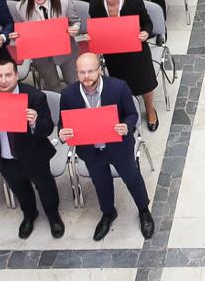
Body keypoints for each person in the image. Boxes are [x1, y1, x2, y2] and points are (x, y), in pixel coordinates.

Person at [58, 52, 156, 240]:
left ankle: (144, 210)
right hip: (90, 150)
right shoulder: (68, 95)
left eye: (90, 71)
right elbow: (63, 123)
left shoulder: (118, 88)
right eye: (81, 73)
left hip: (119, 147)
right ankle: (108, 212)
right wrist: (62, 133)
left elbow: (132, 114)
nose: (86, 77)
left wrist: (126, 126)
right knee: (101, 183)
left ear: (100, 69)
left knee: (132, 177)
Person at [0, 56, 64, 239]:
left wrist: (35, 122)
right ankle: (29, 214)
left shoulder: (35, 97)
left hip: (33, 155)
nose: (3, 81)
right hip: (3, 156)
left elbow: (48, 128)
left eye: (8, 75)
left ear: (16, 75)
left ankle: (53, 216)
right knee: (19, 188)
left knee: (45, 187)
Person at [88, 0, 161, 130]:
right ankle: (128, 112)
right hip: (113, 54)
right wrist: (93, 36)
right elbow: (98, 29)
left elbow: (148, 23)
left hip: (137, 51)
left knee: (145, 83)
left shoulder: (134, 2)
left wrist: (145, 32)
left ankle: (150, 110)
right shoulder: (95, 7)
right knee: (121, 85)